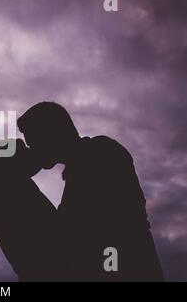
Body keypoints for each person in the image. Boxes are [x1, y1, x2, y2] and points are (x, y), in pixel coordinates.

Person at [17, 101, 164, 281]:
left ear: (51, 133)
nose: (32, 150)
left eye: (34, 141)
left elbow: (75, 232)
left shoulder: (100, 152)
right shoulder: (82, 165)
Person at [0, 139, 62, 281]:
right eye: (24, 151)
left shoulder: (7, 198)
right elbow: (56, 241)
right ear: (11, 165)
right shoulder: (17, 198)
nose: (30, 152)